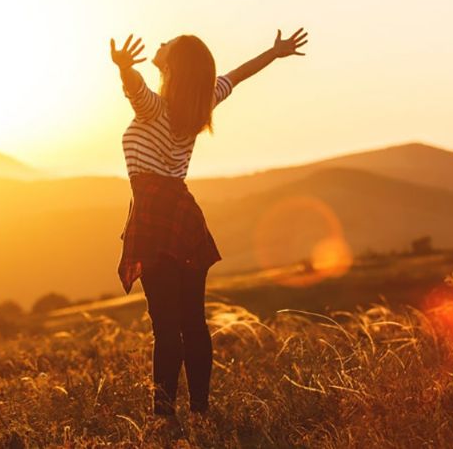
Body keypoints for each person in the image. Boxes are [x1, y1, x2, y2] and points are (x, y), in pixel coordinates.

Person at [109, 28, 309, 419]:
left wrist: (124, 70)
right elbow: (238, 75)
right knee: (193, 323)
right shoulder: (200, 102)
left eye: (167, 43)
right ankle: (200, 412)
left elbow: (136, 90)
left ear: (172, 63)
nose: (160, 43)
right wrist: (273, 52)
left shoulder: (155, 109)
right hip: (184, 219)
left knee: (166, 328)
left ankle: (164, 419)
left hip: (154, 219)